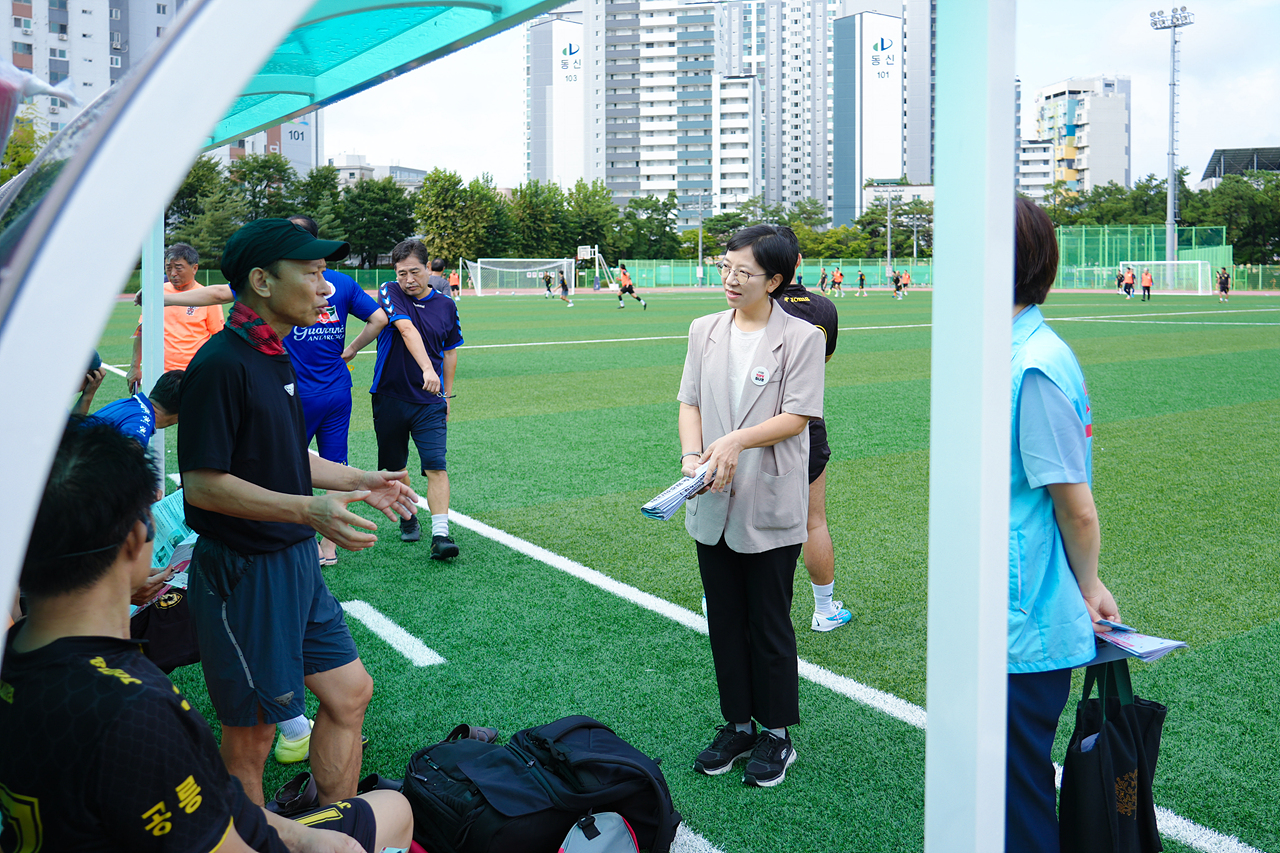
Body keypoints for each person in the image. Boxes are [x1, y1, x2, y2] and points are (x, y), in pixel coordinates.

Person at [2, 420, 414, 853]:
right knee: (394, 810)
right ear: (135, 538)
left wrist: (304, 836)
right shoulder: (135, 711)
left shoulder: (18, 652)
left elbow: (212, 800)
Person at [179, 219, 420, 808]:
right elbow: (203, 486)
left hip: (293, 562)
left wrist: (363, 480)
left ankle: (327, 825)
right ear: (261, 281)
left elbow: (285, 456)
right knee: (254, 732)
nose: (325, 288)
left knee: (349, 693)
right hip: (244, 572)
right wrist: (307, 510)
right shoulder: (221, 363)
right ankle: (257, 839)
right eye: (311, 275)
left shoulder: (274, 353)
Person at [679, 224, 824, 788]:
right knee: (724, 620)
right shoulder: (703, 330)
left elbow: (797, 416)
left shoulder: (803, 338)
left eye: (744, 272)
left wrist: (737, 441)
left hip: (769, 497)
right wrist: (694, 456)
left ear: (776, 280)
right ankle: (738, 724)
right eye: (725, 268)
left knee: (768, 621)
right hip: (711, 497)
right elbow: (689, 400)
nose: (731, 280)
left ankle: (777, 735)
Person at [1007, 197, 1121, 852]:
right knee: (998, 784)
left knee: (1013, 793)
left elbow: (1074, 504)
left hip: (1024, 613)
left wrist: (1089, 584)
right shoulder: (1011, 352)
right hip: (1006, 605)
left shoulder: (1035, 364)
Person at [371, 238, 463, 559]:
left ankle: (441, 535)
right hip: (390, 396)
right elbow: (407, 329)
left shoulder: (446, 305)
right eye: (401, 273)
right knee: (394, 468)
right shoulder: (389, 291)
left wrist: (447, 393)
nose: (408, 280)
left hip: (430, 401)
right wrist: (427, 369)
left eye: (414, 272)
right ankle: (409, 517)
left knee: (436, 466)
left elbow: (450, 352)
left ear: (428, 268)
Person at [776, 259, 851, 633]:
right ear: (798, 261)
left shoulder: (757, 305)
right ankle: (824, 611)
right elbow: (823, 362)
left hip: (754, 427)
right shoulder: (825, 307)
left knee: (744, 518)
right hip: (806, 422)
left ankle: (723, 598)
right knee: (813, 521)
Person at [127, 243, 225, 393]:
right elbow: (142, 331)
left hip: (194, 372)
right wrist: (134, 367)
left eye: (178, 268)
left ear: (195, 268)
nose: (172, 273)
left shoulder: (206, 297)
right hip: (158, 373)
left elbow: (219, 338)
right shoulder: (156, 293)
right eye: (168, 268)